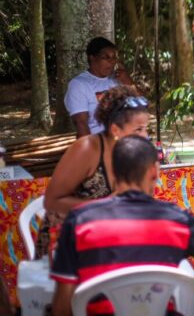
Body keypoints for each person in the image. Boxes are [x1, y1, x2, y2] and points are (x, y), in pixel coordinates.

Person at [50, 135, 194, 316]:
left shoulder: (78, 221)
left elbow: (62, 306)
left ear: (112, 173)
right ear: (155, 173)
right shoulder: (179, 220)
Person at [36, 86, 149, 257]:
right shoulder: (86, 149)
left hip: (103, 240)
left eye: (146, 129)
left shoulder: (131, 155)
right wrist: (105, 206)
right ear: (115, 130)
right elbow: (52, 201)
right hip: (65, 244)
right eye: (138, 130)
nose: (145, 136)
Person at [65, 37, 134, 138]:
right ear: (92, 58)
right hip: (99, 141)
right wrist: (94, 150)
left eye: (114, 57)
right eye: (106, 57)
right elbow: (81, 124)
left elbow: (142, 104)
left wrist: (128, 82)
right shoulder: (79, 84)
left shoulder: (118, 79)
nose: (111, 61)